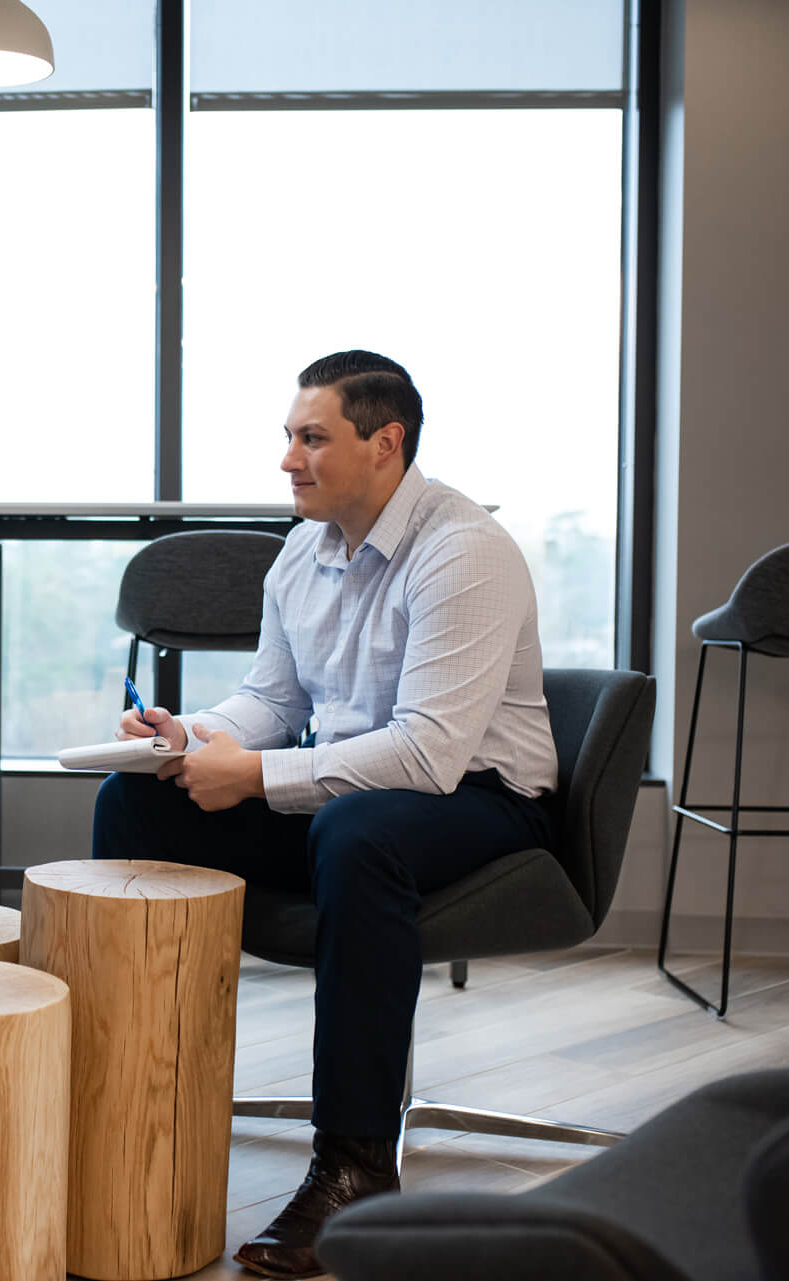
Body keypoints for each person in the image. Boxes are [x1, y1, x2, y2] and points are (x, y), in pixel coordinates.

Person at [93, 350, 557, 1279]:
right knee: (135, 798)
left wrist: (257, 775)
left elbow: (426, 755)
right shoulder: (303, 551)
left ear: (385, 445)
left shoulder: (464, 552)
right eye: (289, 437)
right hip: (352, 793)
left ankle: (352, 1163)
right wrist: (191, 736)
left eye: (313, 438)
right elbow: (269, 699)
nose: (288, 460)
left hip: (481, 801)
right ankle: (142, 1107)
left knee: (357, 832)